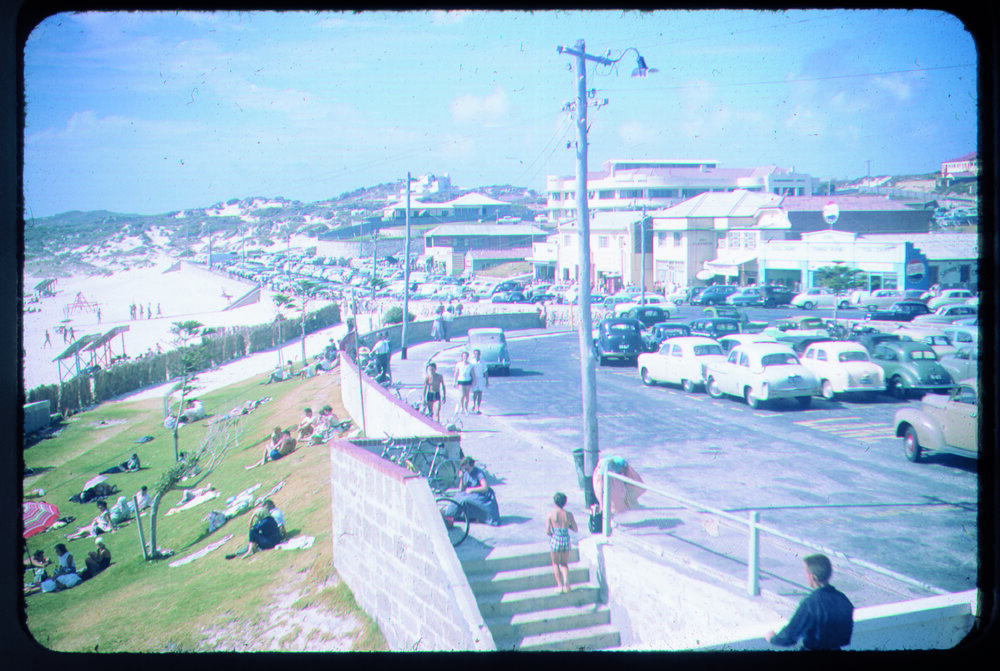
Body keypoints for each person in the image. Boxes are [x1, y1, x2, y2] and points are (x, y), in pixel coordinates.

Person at [766, 554, 854, 650]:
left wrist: (772, 638)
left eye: (806, 572)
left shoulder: (810, 603)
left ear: (813, 577)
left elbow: (789, 636)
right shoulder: (843, 599)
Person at [546, 492, 578, 593]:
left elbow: (547, 531)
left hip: (555, 538)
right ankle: (567, 583)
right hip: (565, 539)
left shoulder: (550, 514)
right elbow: (575, 529)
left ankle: (560, 586)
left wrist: (552, 533)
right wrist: (567, 526)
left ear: (554, 502)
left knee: (555, 563)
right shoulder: (568, 514)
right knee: (564, 564)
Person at [456, 457, 501, 526]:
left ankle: (478, 516)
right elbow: (461, 489)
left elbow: (485, 487)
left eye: (467, 468)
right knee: (458, 496)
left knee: (466, 499)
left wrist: (471, 489)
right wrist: (461, 478)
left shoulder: (478, 473)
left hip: (482, 495)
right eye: (464, 469)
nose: (465, 470)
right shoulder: (466, 473)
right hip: (473, 494)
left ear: (471, 466)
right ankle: (454, 514)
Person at [470, 349, 489, 414]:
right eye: (475, 353)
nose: (476, 355)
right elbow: (470, 371)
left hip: (481, 379)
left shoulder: (482, 361)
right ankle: (474, 404)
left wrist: (487, 380)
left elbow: (485, 371)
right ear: (474, 354)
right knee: (475, 393)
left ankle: (478, 407)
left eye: (478, 353)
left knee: (480, 393)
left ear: (479, 354)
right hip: (474, 379)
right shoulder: (471, 362)